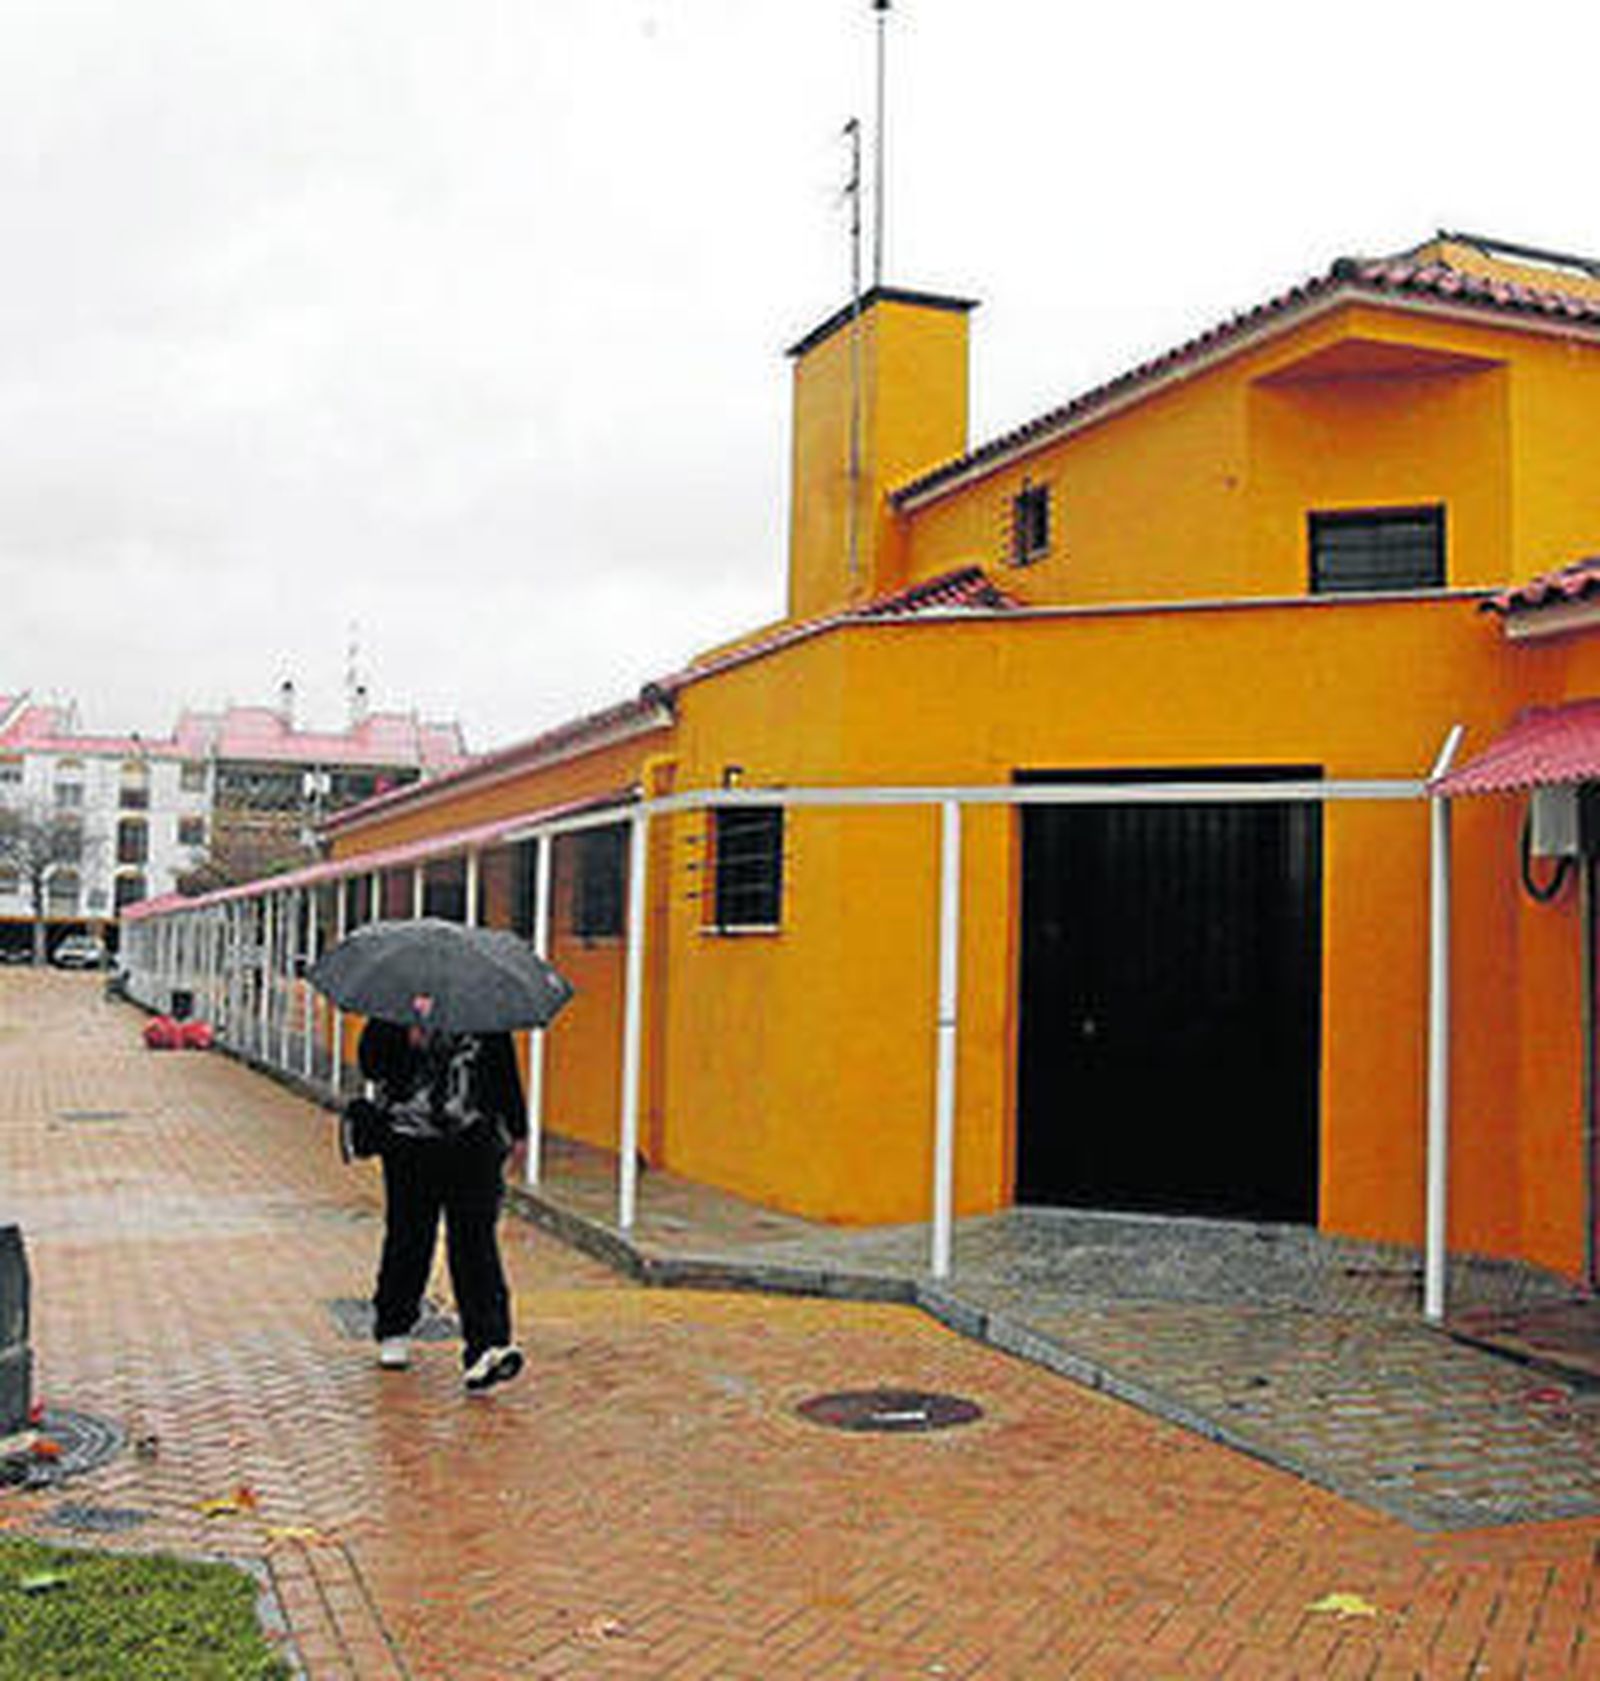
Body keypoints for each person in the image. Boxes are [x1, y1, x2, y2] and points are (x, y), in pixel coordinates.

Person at [357, 1011, 528, 1394]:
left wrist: (518, 1128)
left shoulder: (481, 1005)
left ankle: (488, 1346)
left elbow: (503, 1066)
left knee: (475, 1241)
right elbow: (371, 1063)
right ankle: (394, 1325)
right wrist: (406, 1038)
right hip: (408, 1144)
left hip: (472, 1143)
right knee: (410, 1236)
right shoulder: (395, 1007)